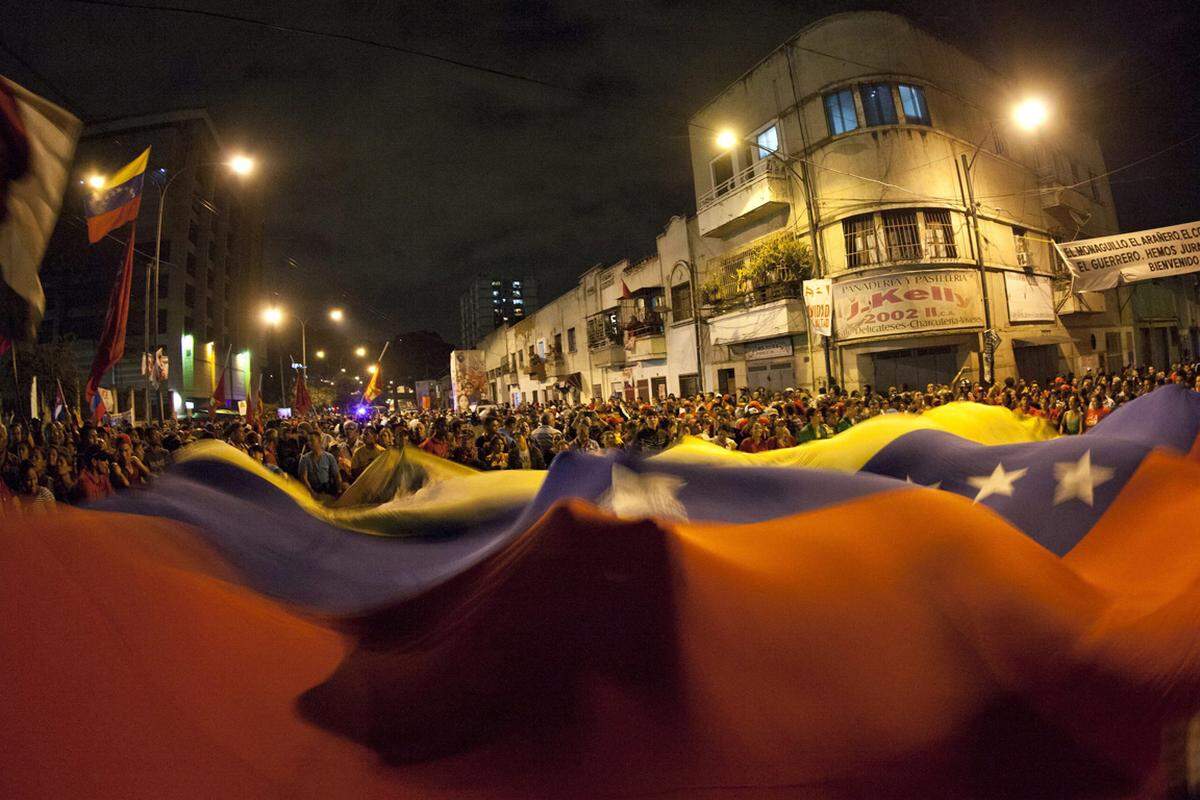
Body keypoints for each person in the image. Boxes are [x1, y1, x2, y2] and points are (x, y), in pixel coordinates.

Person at [297, 432, 342, 497]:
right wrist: (312, 493)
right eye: (308, 441)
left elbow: (337, 475)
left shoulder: (329, 457)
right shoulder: (305, 459)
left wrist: (339, 490)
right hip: (312, 489)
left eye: (312, 440)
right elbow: (304, 478)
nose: (309, 443)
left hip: (326, 489)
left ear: (319, 441)